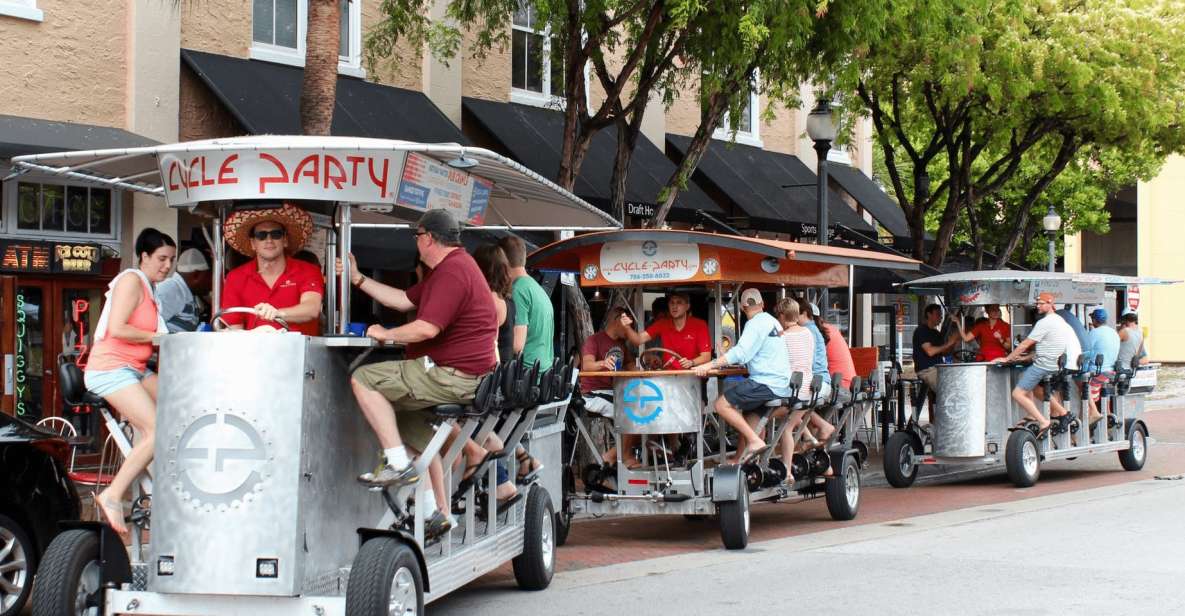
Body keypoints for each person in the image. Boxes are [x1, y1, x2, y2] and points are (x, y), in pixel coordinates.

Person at [346, 210, 498, 536]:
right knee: (399, 416)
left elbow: (426, 328)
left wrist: (386, 334)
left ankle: (396, 464)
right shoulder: (449, 269)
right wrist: (358, 278)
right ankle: (433, 514)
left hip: (450, 375)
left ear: (428, 237)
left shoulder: (452, 272)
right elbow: (403, 300)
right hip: (459, 376)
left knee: (364, 378)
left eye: (417, 236)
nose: (416, 242)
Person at [84, 228, 176, 538]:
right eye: (161, 258)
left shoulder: (150, 288)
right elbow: (118, 328)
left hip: (135, 368)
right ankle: (112, 494)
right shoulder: (130, 281)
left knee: (180, 409)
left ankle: (161, 490)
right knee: (156, 429)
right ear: (144, 256)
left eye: (171, 260)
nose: (167, 265)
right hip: (110, 369)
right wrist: (158, 337)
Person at [693, 289, 792, 462]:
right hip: (781, 384)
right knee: (750, 418)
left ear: (742, 307)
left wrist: (710, 364)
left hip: (766, 383)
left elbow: (741, 353)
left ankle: (755, 442)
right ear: (762, 304)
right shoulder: (773, 321)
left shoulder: (754, 324)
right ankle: (749, 462)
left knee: (721, 405)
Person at [219, 204, 323, 335]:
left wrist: (277, 313)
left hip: (301, 353)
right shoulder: (235, 277)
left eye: (276, 234)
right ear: (253, 243)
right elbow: (234, 329)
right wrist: (255, 335)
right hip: (254, 353)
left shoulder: (308, 270)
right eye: (261, 235)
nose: (269, 240)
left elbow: (311, 309)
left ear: (285, 240)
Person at [993, 292, 1081, 436]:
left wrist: (1007, 359)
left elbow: (1025, 344)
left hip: (1043, 366)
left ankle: (1042, 420)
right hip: (1055, 366)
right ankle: (1063, 413)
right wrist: (1023, 358)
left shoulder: (1044, 322)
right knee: (1037, 390)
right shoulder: (1059, 320)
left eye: (1041, 304)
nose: (1037, 306)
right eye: (1037, 303)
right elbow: (1047, 346)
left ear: (1050, 304)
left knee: (1017, 393)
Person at [580, 306, 640, 468]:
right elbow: (587, 365)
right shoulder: (594, 340)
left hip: (613, 391)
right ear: (617, 321)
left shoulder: (621, 344)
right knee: (631, 413)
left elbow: (629, 363)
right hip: (593, 393)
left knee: (643, 410)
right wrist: (603, 363)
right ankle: (618, 456)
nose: (629, 331)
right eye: (627, 326)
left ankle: (615, 455)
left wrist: (644, 365)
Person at [498, 235, 554, 371]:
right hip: (542, 372)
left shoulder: (518, 290)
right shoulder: (535, 288)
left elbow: (517, 345)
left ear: (502, 261)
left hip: (525, 375)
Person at [622, 291, 712, 370]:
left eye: (679, 303)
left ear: (687, 306)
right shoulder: (662, 323)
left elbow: (706, 356)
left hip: (691, 375)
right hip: (668, 375)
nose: (674, 306)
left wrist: (691, 362)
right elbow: (638, 340)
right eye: (671, 303)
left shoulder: (699, 325)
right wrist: (627, 327)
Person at [774, 298, 815, 468]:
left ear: (782, 316)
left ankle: (787, 470)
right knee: (789, 417)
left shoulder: (783, 337)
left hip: (792, 391)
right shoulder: (808, 333)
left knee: (764, 417)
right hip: (808, 388)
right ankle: (808, 436)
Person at [156, 247, 211, 332]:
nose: (211, 285)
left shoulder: (191, 294)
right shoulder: (170, 289)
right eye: (209, 278)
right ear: (196, 275)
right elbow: (153, 327)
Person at [1084, 308, 1120, 425]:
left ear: (1094, 320)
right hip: (1111, 372)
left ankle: (1092, 414)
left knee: (1081, 384)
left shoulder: (1094, 332)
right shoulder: (1114, 332)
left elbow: (1086, 350)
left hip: (1098, 372)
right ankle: (1107, 414)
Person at [912, 304, 960, 392]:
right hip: (927, 370)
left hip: (938, 367)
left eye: (941, 315)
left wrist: (953, 342)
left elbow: (944, 352)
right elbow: (930, 351)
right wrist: (949, 343)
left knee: (958, 380)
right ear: (929, 315)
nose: (941, 317)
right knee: (948, 390)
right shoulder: (921, 330)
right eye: (938, 314)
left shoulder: (936, 333)